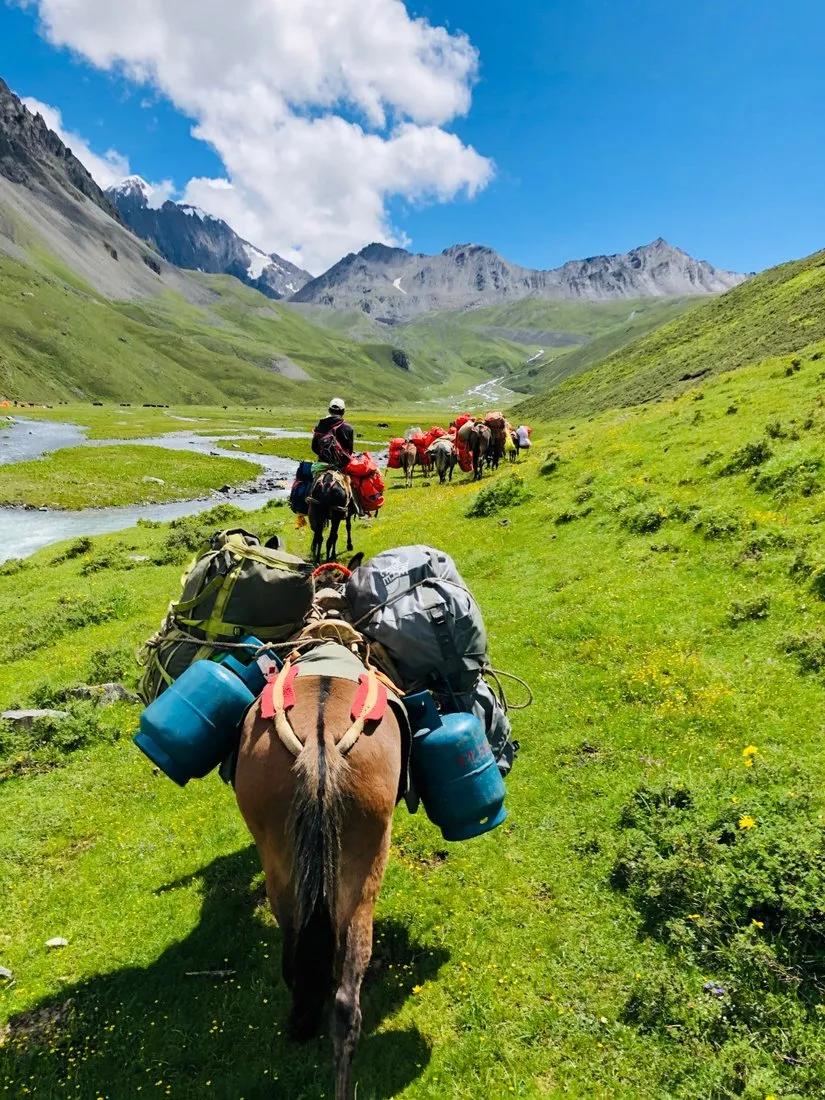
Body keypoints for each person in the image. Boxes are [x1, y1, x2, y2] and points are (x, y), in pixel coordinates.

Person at [312, 397, 354, 467]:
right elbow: (350, 451)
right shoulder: (348, 428)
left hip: (322, 463)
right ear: (343, 411)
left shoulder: (320, 425)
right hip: (341, 465)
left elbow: (314, 447)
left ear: (329, 410)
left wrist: (324, 456)